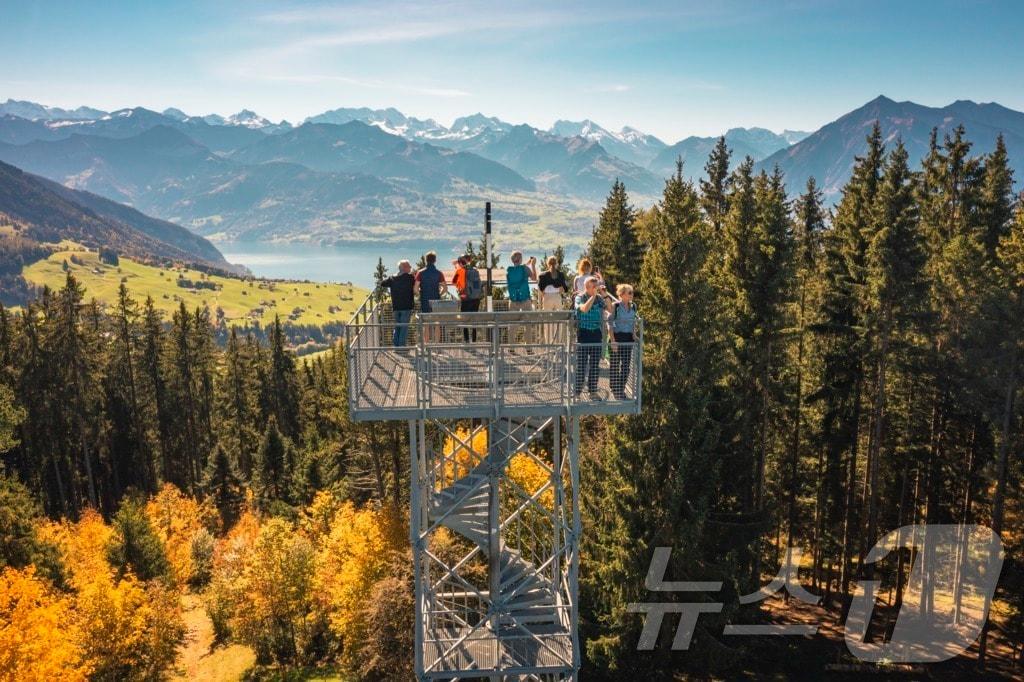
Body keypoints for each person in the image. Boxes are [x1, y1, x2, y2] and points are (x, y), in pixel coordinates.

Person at [574, 276, 611, 399]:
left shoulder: (600, 298)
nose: (596, 288)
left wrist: (604, 294)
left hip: (596, 333)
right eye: (593, 286)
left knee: (595, 364)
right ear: (586, 287)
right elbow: (584, 309)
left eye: (596, 286)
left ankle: (593, 390)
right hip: (583, 333)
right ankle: (577, 392)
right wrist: (594, 296)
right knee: (581, 364)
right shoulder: (580, 297)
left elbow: (610, 309)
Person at [607, 283, 638, 400]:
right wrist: (613, 340)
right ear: (621, 294)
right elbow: (609, 323)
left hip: (628, 339)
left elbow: (634, 321)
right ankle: (615, 388)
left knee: (626, 367)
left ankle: (620, 388)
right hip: (617, 337)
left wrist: (634, 334)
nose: (632, 295)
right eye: (629, 292)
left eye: (632, 292)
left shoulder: (634, 306)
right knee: (615, 364)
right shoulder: (616, 306)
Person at [380, 260, 416, 347]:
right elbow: (417, 284)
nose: (410, 268)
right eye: (409, 266)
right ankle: (401, 347)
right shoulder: (410, 278)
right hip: (406, 307)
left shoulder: (392, 278)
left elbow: (383, 283)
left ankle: (396, 345)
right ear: (404, 267)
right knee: (404, 327)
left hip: (396, 307)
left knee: (397, 326)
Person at [505, 251, 536, 344]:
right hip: (525, 299)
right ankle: (528, 347)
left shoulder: (509, 270)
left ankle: (511, 346)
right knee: (528, 324)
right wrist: (533, 265)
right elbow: (534, 278)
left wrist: (527, 263)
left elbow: (519, 269)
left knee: (512, 324)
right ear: (520, 259)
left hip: (513, 299)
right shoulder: (525, 268)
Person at [415, 251, 447, 343]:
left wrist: (419, 294)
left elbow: (416, 288)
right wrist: (440, 294)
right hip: (436, 300)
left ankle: (426, 345)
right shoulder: (439, 273)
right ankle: (436, 344)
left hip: (425, 300)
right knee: (437, 323)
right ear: (435, 261)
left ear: (426, 260)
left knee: (426, 324)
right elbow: (445, 288)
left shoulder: (420, 273)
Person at [538, 255, 568, 344]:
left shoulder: (543, 275)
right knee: (559, 321)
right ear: (557, 264)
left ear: (548, 264)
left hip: (547, 298)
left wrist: (547, 291)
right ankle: (558, 343)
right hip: (557, 298)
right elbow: (565, 289)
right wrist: (558, 289)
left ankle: (549, 344)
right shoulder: (560, 274)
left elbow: (541, 289)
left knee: (547, 322)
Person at [452, 255, 483, 342]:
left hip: (465, 298)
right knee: (474, 320)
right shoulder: (475, 270)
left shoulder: (459, 270)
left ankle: (466, 340)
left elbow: (454, 282)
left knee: (464, 320)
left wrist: (456, 267)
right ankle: (474, 340)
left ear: (460, 263)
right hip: (476, 298)